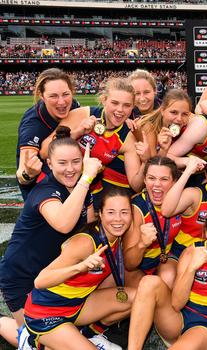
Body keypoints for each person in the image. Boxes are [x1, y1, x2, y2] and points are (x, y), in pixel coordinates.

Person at [0, 127, 100, 347]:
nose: (70, 169)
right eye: (62, 163)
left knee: (57, 331)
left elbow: (88, 225)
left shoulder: (83, 189)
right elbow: (64, 224)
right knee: (32, 340)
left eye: (76, 162)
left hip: (49, 272)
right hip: (22, 274)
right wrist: (86, 178)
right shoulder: (45, 191)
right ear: (50, 164)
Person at [18, 188, 135, 350]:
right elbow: (40, 281)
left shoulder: (117, 238)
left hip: (78, 306)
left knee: (137, 298)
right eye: (111, 212)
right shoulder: (85, 243)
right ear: (100, 214)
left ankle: (88, 336)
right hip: (47, 313)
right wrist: (80, 267)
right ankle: (33, 340)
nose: (118, 219)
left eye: (124, 212)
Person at [126, 209, 207, 350]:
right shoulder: (192, 251)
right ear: (206, 233)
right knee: (149, 282)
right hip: (179, 318)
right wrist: (191, 269)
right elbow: (176, 303)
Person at [42, 77, 146, 200]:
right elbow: (44, 151)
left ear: (133, 106)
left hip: (90, 193)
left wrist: (146, 161)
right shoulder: (82, 114)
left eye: (127, 105)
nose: (120, 110)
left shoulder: (127, 137)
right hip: (58, 186)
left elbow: (136, 185)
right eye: (114, 103)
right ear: (104, 100)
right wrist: (77, 132)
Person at [15, 68, 81, 199]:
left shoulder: (74, 106)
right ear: (42, 96)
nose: (62, 102)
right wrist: (28, 173)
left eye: (66, 94)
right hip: (40, 191)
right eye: (53, 96)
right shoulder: (33, 123)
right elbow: (22, 173)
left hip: (67, 178)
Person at [123, 157, 183, 289]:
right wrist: (142, 244)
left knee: (169, 278)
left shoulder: (180, 202)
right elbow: (129, 264)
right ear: (144, 180)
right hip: (137, 269)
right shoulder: (136, 209)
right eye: (151, 178)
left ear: (174, 182)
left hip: (164, 261)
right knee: (149, 292)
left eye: (164, 179)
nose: (157, 184)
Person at [135, 89, 192, 159]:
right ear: (162, 111)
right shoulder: (148, 127)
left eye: (184, 114)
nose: (179, 119)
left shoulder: (189, 127)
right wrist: (163, 149)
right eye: (174, 112)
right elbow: (154, 166)